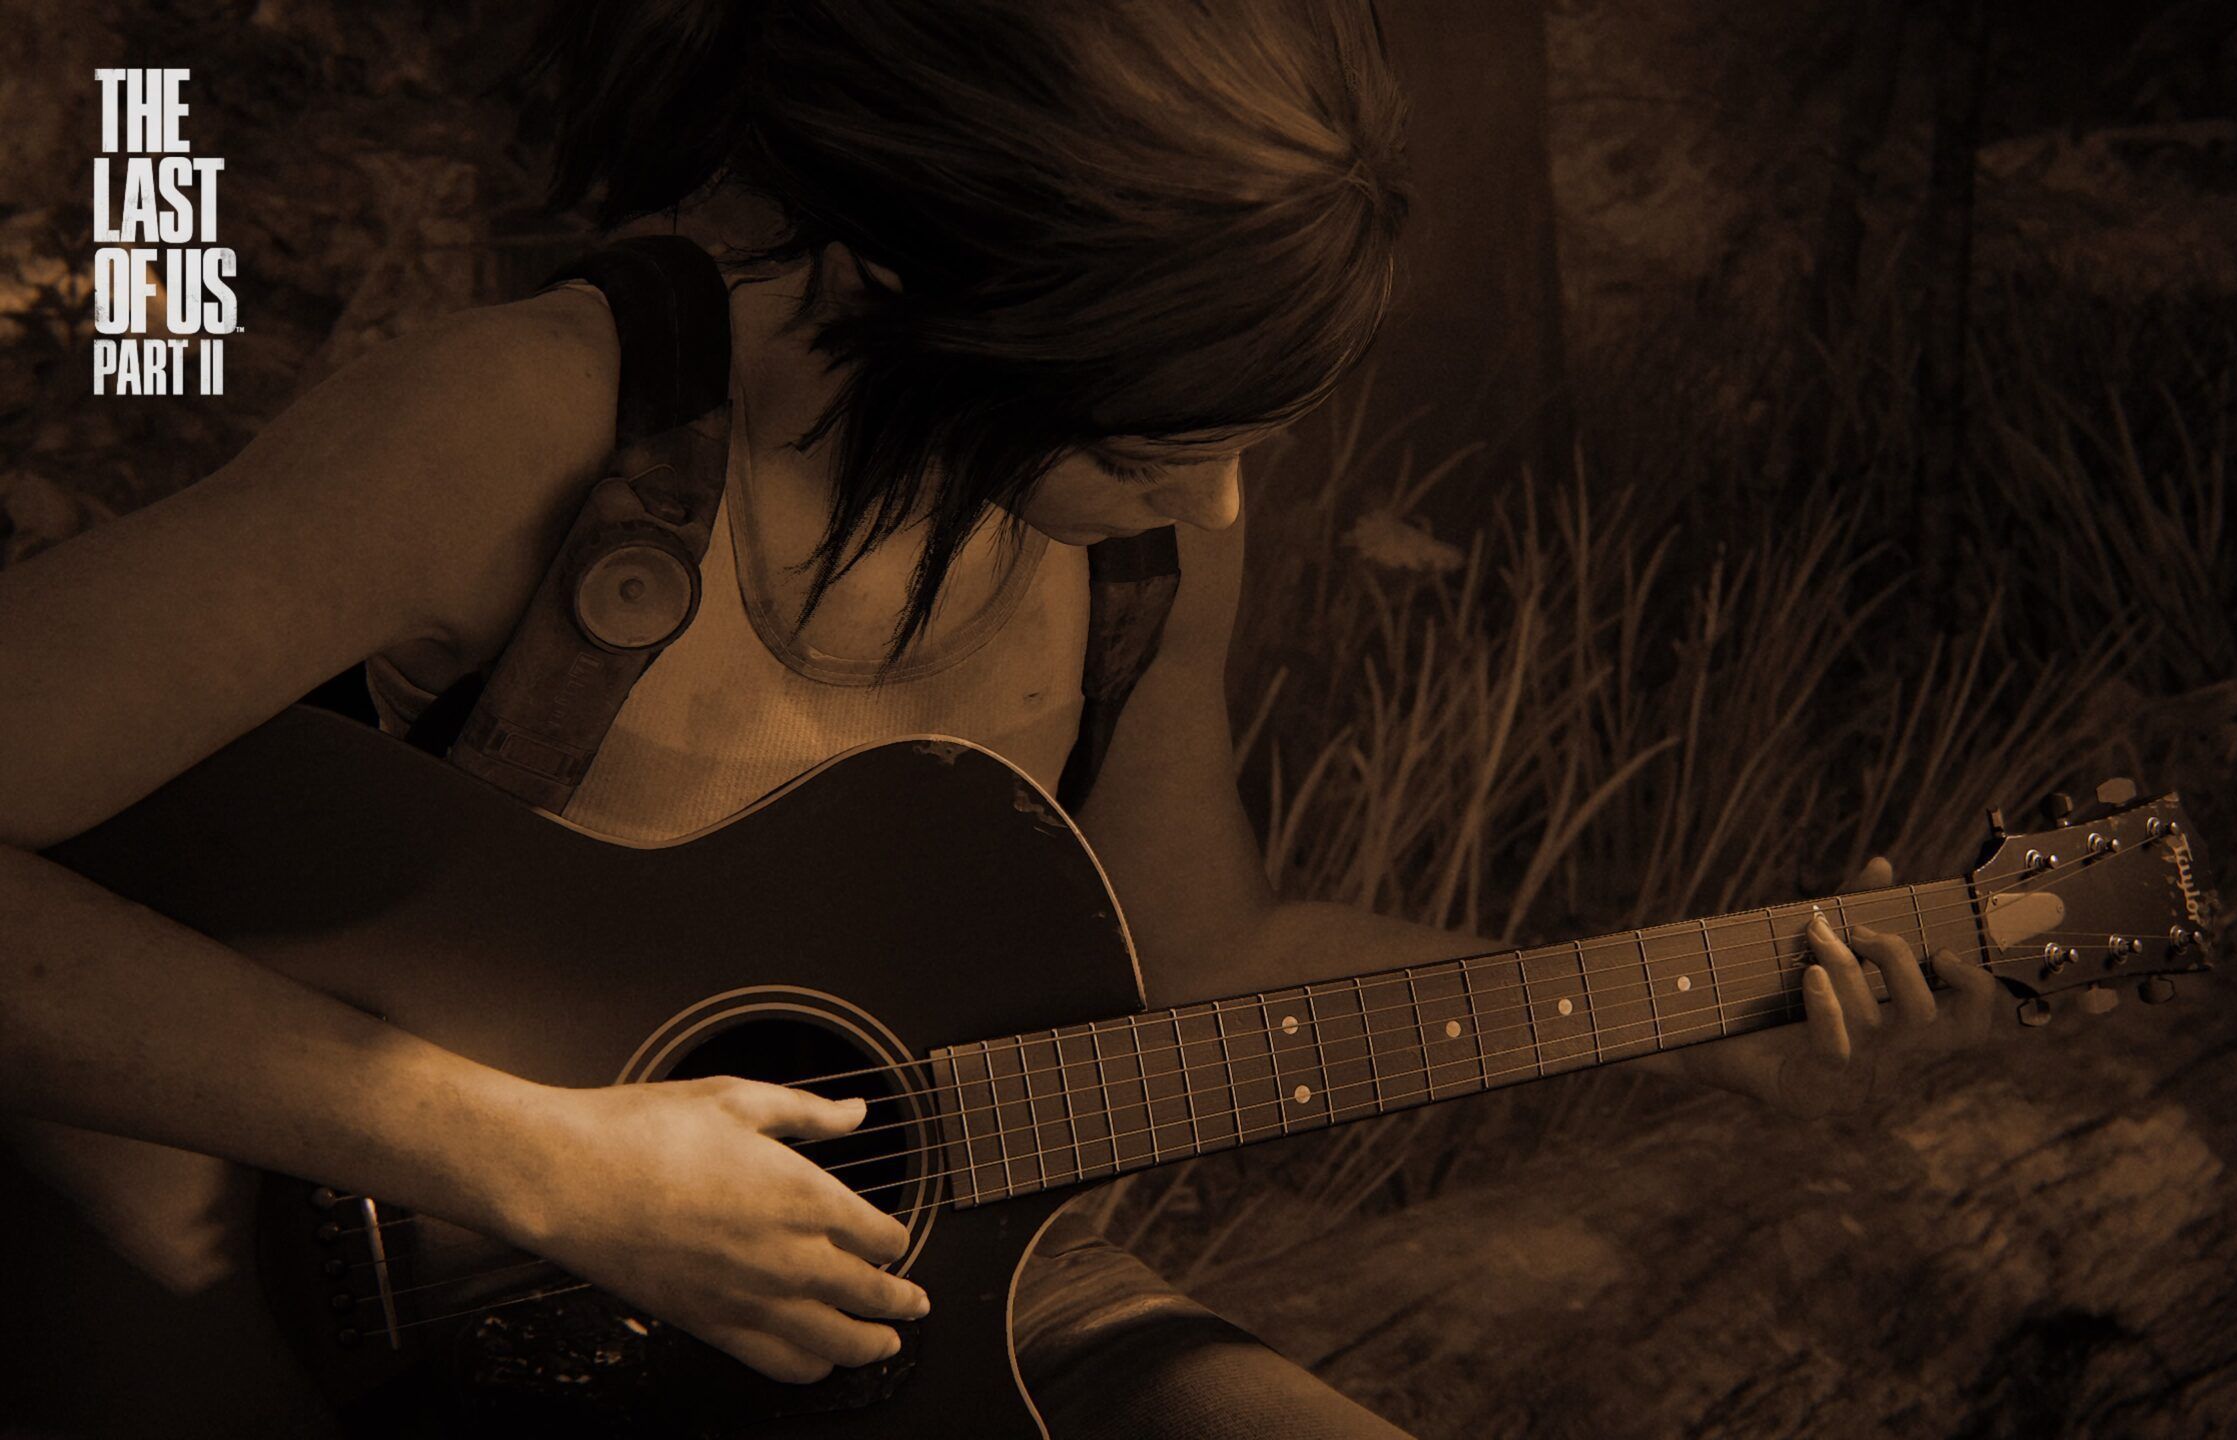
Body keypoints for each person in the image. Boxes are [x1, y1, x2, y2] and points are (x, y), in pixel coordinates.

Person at [0, 2, 2021, 1434]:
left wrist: (1716, 1017)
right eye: (1154, 441)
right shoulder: (525, 431)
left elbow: (1203, 960)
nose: (1213, 502)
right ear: (937, 301)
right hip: (308, 1327)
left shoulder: (1144, 540)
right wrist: (544, 1164)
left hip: (913, 1309)